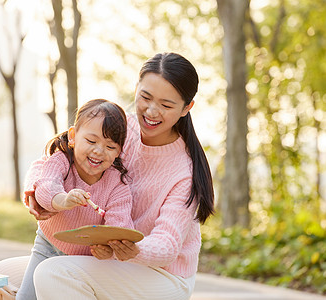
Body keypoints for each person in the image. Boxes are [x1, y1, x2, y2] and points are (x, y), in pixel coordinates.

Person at [24, 52, 215, 300]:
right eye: (145, 97)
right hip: (113, 263)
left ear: (186, 108)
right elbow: (59, 156)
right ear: (136, 88)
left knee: (52, 273)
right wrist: (35, 192)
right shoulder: (122, 126)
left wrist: (128, 248)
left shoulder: (184, 170)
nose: (152, 111)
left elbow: (167, 245)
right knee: (6, 272)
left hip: (161, 276)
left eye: (166, 105)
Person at [16, 99, 134, 300]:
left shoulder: (117, 185)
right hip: (48, 245)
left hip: (85, 258)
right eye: (91, 141)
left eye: (110, 146)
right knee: (26, 297)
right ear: (73, 137)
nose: (99, 151)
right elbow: (45, 187)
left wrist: (109, 250)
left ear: (119, 151)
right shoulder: (61, 161)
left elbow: (119, 224)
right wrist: (63, 200)